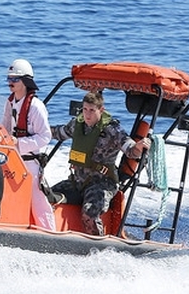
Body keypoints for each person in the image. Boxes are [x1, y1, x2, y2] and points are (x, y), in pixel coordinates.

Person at [50, 91, 151, 236]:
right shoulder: (77, 124)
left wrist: (139, 147)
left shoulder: (112, 130)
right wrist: (35, 129)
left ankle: (98, 248)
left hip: (102, 185)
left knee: (90, 213)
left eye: (92, 110)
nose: (87, 115)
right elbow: (58, 133)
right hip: (77, 182)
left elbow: (130, 150)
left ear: (101, 110)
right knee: (45, 196)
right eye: (85, 109)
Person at [1, 59, 56, 230]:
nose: (10, 82)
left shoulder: (36, 107)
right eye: (9, 78)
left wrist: (20, 143)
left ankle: (50, 235)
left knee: (38, 202)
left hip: (30, 163)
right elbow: (5, 129)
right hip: (11, 160)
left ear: (25, 81)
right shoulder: (9, 103)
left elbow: (45, 136)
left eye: (15, 79)